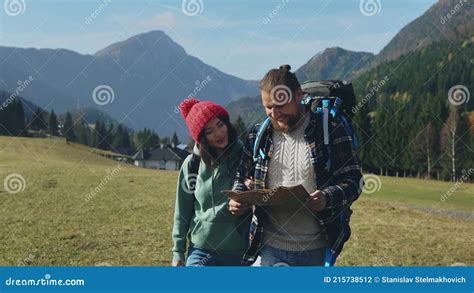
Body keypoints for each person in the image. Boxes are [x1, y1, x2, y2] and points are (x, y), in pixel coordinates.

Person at [229, 65, 363, 266]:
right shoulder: (258, 135)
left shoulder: (330, 130)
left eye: (280, 105)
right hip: (267, 246)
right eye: (268, 107)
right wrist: (238, 198)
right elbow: (241, 176)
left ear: (299, 94)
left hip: (314, 250)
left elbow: (353, 180)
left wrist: (327, 197)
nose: (274, 113)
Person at [172, 98, 251, 266]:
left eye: (220, 125)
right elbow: (182, 211)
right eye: (209, 131)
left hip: (239, 251)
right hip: (201, 249)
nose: (218, 133)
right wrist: (178, 252)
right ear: (201, 138)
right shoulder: (192, 165)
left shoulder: (245, 157)